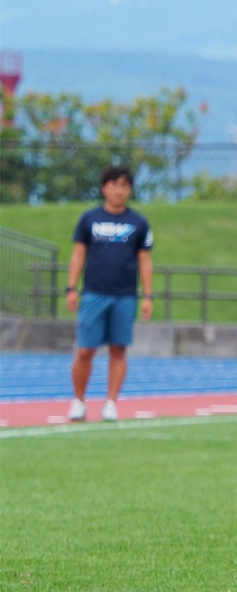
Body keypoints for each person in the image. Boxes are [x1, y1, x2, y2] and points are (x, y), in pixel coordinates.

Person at [66, 166, 155, 423]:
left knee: (118, 350)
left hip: (125, 295)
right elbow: (78, 253)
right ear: (105, 188)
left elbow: (145, 260)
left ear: (130, 190)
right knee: (85, 350)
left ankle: (111, 403)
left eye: (124, 185)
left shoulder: (138, 223)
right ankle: (79, 402)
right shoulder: (89, 219)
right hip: (94, 293)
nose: (119, 190)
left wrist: (148, 296)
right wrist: (71, 288)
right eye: (114, 184)